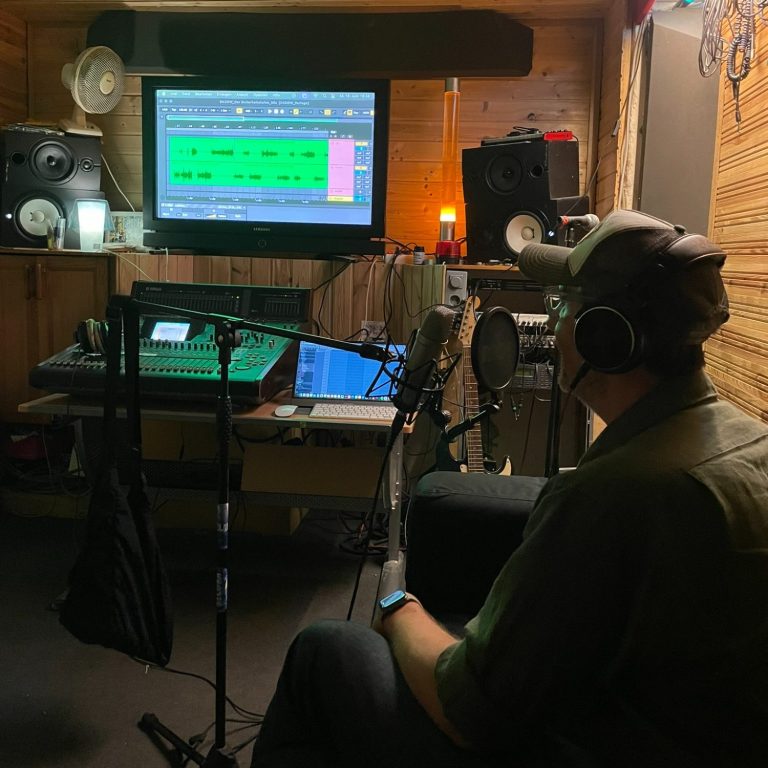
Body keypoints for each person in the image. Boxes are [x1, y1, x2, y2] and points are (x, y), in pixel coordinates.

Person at [251, 209, 768, 768]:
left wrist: (400, 608)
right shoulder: (751, 440)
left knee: (323, 648)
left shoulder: (613, 494)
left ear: (604, 336)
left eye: (562, 307)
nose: (554, 324)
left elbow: (470, 710)